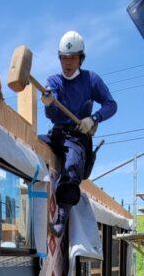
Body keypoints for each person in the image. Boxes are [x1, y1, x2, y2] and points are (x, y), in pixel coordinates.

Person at [39, 30, 117, 235]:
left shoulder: (91, 80)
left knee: (73, 167)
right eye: (64, 58)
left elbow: (111, 105)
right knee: (33, 145)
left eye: (72, 58)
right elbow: (52, 113)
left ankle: (61, 220)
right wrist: (48, 104)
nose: (68, 63)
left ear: (80, 59)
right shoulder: (54, 81)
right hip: (57, 134)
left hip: (77, 137)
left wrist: (94, 118)